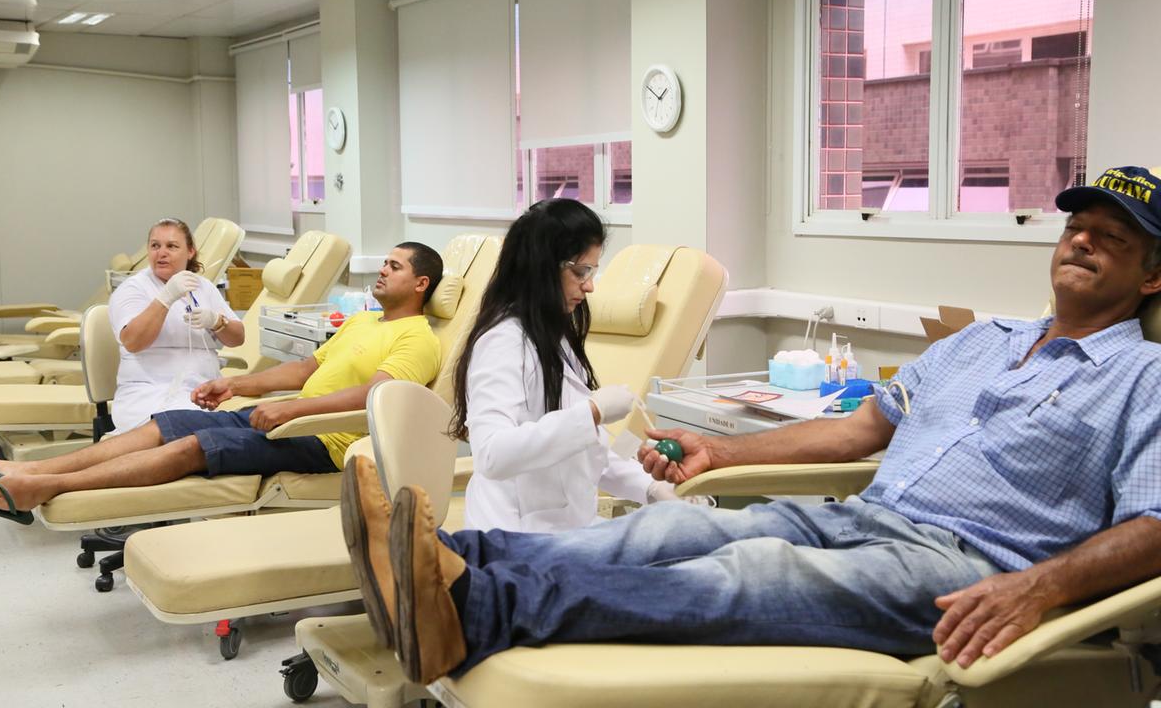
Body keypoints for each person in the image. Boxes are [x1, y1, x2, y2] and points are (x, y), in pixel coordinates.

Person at [342, 166, 1161, 685]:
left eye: (1112, 238)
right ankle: (448, 559)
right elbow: (860, 429)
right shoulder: (984, 341)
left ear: (1152, 275)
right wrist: (724, 449)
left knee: (755, 565)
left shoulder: (1146, 377)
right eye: (1074, 227)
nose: (1082, 241)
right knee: (671, 536)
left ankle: (472, 610)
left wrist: (1041, 585)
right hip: (862, 516)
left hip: (967, 568)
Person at [0, 242, 443, 521]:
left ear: (420, 284)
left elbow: (375, 396)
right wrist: (236, 387)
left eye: (394, 267)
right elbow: (303, 371)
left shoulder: (418, 339)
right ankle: (30, 472)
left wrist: (291, 409)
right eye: (383, 262)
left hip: (328, 444)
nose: (381, 270)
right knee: (163, 424)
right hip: (288, 422)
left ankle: (43, 488)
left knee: (197, 444)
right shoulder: (362, 323)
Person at [449, 198, 671, 533]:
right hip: (514, 537)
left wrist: (649, 487)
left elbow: (583, 445)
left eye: (592, 272)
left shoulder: (554, 337)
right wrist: (592, 412)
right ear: (542, 267)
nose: (590, 285)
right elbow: (492, 454)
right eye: (580, 271)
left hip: (562, 526)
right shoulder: (503, 342)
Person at [107, 218, 246, 433]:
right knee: (191, 431)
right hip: (149, 393)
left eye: (171, 246)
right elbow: (133, 342)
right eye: (155, 246)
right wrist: (165, 298)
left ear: (190, 251)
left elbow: (238, 338)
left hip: (205, 392)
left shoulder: (203, 287)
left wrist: (217, 322)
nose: (161, 253)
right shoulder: (133, 289)